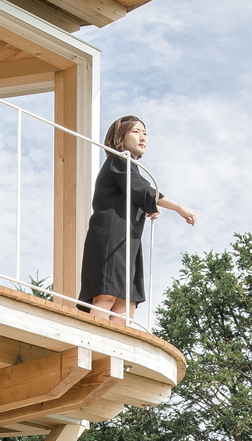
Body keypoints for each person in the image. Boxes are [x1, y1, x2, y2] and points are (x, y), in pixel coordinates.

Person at [79, 115, 195, 325]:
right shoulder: (117, 159)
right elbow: (142, 188)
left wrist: (150, 206)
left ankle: (115, 351)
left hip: (128, 240)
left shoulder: (128, 165)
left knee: (127, 300)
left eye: (145, 133)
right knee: (106, 293)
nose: (142, 137)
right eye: (136, 131)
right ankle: (94, 345)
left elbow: (138, 192)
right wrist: (177, 207)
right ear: (119, 138)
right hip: (110, 237)